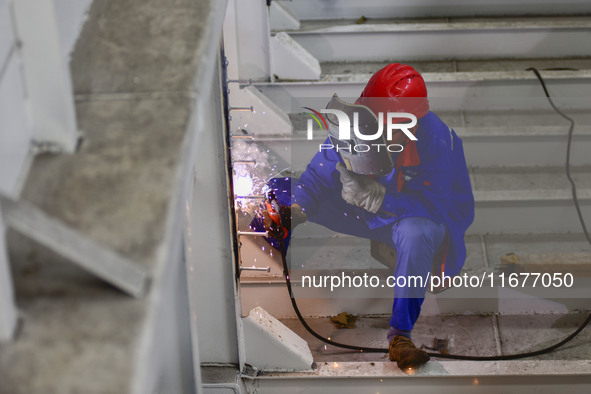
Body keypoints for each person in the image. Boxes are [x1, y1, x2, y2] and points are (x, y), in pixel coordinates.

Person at [264, 63, 475, 369]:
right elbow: (319, 174)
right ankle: (263, 263)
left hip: (416, 220)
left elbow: (437, 209)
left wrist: (381, 200)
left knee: (417, 233)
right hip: (366, 213)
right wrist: (298, 209)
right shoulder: (358, 122)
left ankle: (400, 337)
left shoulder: (438, 139)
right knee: (279, 191)